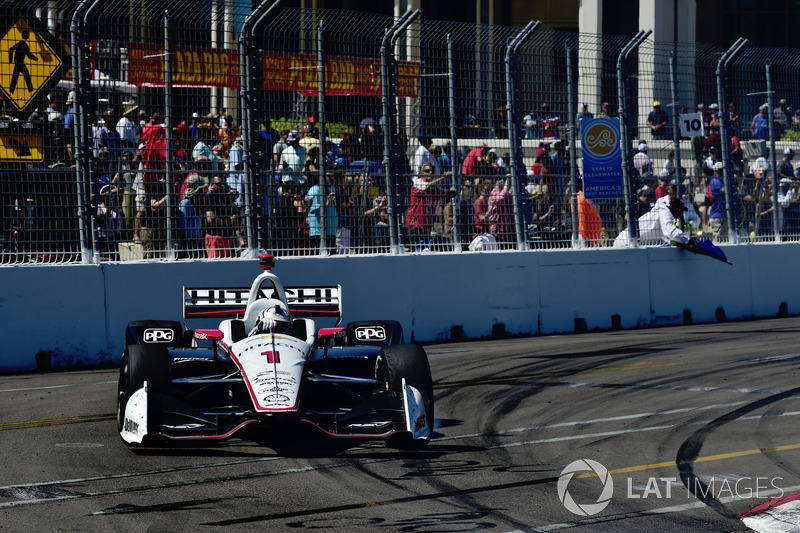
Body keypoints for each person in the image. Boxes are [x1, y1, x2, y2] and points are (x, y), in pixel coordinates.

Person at [614, 192, 692, 247]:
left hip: (624, 242)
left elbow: (664, 237)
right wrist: (689, 241)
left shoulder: (658, 212)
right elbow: (671, 232)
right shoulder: (665, 213)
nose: (681, 214)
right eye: (681, 211)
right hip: (627, 244)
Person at [406, 163, 448, 245]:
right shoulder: (418, 182)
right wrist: (444, 177)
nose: (430, 173)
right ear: (422, 172)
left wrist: (456, 179)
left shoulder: (435, 189)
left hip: (427, 227)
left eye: (432, 171)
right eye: (427, 171)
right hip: (415, 225)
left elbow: (446, 195)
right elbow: (426, 186)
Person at [203, 175, 238, 258]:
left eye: (223, 183)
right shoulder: (210, 198)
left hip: (226, 237)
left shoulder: (224, 197)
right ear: (212, 185)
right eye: (219, 184)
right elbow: (212, 221)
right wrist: (229, 220)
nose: (222, 185)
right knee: (215, 265)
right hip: (214, 237)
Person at [304, 173, 339, 253]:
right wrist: (326, 205)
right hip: (318, 231)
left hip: (331, 231)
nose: (332, 178)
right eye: (329, 176)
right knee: (316, 257)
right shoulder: (315, 189)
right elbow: (311, 207)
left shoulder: (331, 190)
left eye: (333, 176)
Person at [488, 176, 515, 246]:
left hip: (506, 227)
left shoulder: (508, 193)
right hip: (497, 227)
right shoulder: (495, 191)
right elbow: (501, 198)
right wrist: (506, 183)